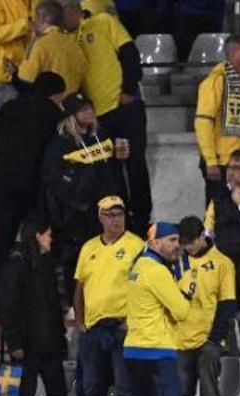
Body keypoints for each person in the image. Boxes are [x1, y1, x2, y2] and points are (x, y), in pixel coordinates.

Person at [62, 0, 151, 231]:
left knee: (134, 164)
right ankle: (121, 221)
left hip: (123, 110)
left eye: (62, 12)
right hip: (100, 119)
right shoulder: (65, 40)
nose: (59, 19)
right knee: (110, 171)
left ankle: (142, 220)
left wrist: (128, 90)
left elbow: (129, 52)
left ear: (73, 9)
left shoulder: (103, 22)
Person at [0, 73, 66, 305]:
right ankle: (40, 296)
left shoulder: (11, 107)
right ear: (57, 95)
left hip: (6, 182)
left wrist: (3, 160)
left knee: (2, 241)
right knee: (40, 241)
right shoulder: (54, 115)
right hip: (37, 187)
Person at [44, 95, 128, 302]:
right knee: (77, 261)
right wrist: (76, 204)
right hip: (77, 214)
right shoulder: (60, 144)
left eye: (90, 108)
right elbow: (54, 181)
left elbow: (111, 172)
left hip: (104, 210)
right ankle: (75, 303)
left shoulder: (102, 137)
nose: (90, 112)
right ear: (72, 116)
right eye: (83, 110)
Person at [73, 195, 143, 396]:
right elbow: (80, 286)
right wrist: (80, 322)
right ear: (100, 217)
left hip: (122, 327)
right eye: (110, 215)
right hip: (93, 328)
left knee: (125, 386)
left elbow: (143, 286)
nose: (116, 219)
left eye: (119, 214)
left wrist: (129, 321)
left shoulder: (136, 245)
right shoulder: (89, 247)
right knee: (91, 386)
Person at [124, 221, 190, 396]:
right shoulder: (157, 271)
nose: (177, 245)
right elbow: (182, 311)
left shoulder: (137, 267)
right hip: (157, 351)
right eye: (171, 240)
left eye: (178, 240)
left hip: (133, 351)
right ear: (155, 242)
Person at [0, 222, 67, 396]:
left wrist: (61, 339)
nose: (51, 239)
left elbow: (53, 308)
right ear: (37, 236)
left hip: (49, 346)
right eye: (48, 235)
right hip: (24, 347)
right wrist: (13, 341)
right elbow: (6, 306)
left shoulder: (45, 266)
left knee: (58, 395)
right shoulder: (16, 266)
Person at [175, 218, 236, 396]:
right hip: (180, 339)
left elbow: (227, 305)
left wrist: (214, 339)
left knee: (209, 392)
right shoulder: (177, 263)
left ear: (202, 235)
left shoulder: (222, 263)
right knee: (182, 393)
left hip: (207, 339)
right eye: (184, 243)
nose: (188, 247)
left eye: (191, 242)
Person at [195, 34, 240, 202]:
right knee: (220, 210)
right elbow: (203, 122)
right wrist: (210, 160)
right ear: (234, 53)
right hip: (222, 162)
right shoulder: (215, 81)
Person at [202, 150, 240, 305]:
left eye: (239, 168)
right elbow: (208, 227)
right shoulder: (219, 195)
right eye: (229, 167)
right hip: (223, 252)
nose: (232, 172)